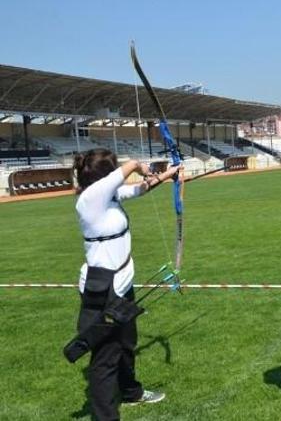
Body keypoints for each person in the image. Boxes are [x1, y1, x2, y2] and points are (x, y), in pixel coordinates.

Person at [72, 148, 176, 420]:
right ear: (105, 176)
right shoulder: (90, 199)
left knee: (127, 342)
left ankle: (131, 392)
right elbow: (130, 167)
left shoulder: (109, 197)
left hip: (122, 285)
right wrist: (137, 166)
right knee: (105, 359)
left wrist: (169, 174)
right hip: (103, 290)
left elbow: (141, 189)